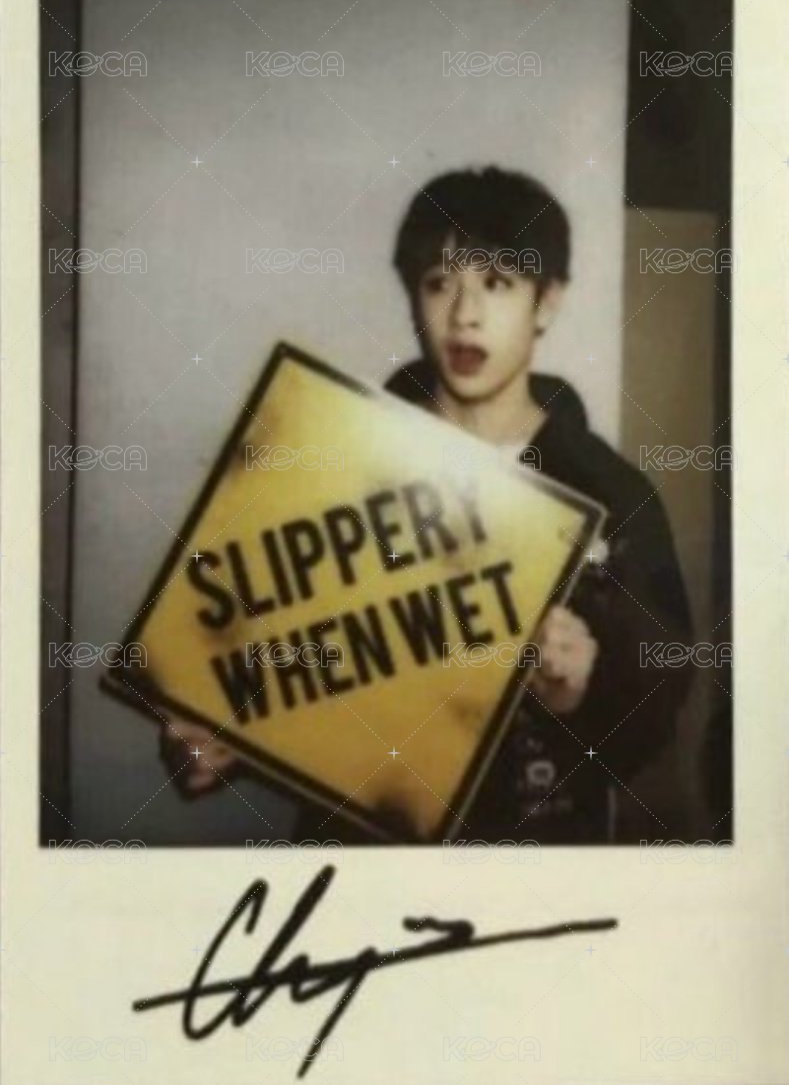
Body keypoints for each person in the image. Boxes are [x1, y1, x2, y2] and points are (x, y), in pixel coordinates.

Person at [161, 165, 693, 844]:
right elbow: (293, 664)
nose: (464, 314)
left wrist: (586, 691)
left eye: (496, 283)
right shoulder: (336, 464)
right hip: (360, 860)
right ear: (412, 296)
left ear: (547, 302)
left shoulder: (611, 494)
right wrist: (222, 741)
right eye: (439, 283)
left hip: (528, 861)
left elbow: (660, 703)